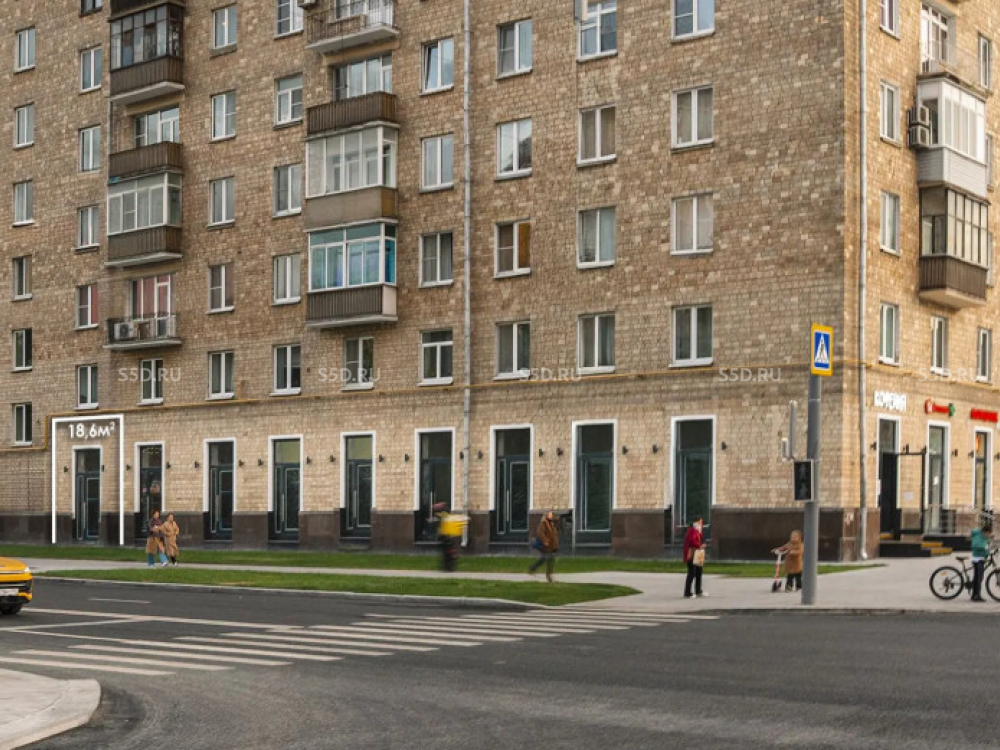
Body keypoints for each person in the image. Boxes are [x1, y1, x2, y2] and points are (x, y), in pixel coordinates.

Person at [528, 511, 560, 583]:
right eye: (550, 515)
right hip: (545, 545)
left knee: (544, 559)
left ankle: (532, 568)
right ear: (546, 516)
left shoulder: (551, 524)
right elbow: (540, 533)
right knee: (549, 559)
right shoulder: (543, 523)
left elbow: (554, 534)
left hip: (551, 545)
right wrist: (545, 541)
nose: (552, 516)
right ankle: (549, 576)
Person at [683, 517, 707, 598]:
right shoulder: (692, 531)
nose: (701, 524)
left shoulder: (697, 531)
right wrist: (700, 545)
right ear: (696, 523)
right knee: (691, 573)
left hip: (697, 554)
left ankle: (698, 590)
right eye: (700, 522)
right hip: (692, 554)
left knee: (698, 572)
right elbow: (692, 542)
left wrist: (702, 543)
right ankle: (687, 592)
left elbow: (700, 539)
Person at [970, 522, 991, 602]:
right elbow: (975, 545)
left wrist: (988, 546)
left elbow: (986, 544)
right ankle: (977, 595)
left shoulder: (983, 537)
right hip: (977, 559)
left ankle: (974, 595)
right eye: (988, 533)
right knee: (978, 578)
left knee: (977, 577)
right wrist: (985, 548)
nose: (988, 535)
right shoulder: (979, 536)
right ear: (984, 532)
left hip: (980, 558)